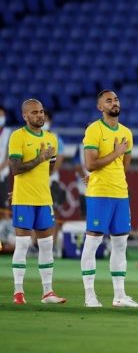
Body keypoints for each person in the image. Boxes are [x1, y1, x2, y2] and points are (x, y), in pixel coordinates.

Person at [80, 90, 138, 308]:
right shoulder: (93, 130)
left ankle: (119, 295)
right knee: (94, 241)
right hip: (99, 193)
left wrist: (117, 156)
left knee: (120, 243)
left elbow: (124, 167)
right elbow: (90, 164)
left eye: (116, 99)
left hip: (120, 194)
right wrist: (116, 153)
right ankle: (89, 294)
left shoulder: (126, 132)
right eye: (108, 100)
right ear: (100, 107)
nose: (114, 103)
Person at [8, 99, 66, 304]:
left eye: (41, 112)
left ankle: (48, 292)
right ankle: (18, 292)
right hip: (24, 198)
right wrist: (39, 159)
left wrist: (42, 162)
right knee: (22, 245)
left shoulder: (52, 139)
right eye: (34, 112)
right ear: (25, 116)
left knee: (46, 245)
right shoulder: (18, 136)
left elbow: (49, 171)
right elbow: (15, 168)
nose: (40, 115)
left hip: (44, 198)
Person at [0, 105, 11, 209]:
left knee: (4, 207)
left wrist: (1, 168)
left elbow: (10, 155)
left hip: (3, 174)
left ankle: (4, 225)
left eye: (1, 115)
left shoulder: (8, 133)